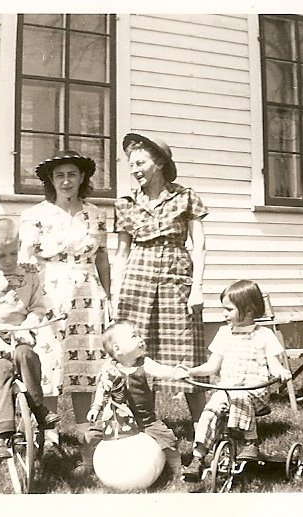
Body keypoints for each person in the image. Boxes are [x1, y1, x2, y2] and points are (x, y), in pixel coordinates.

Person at [113, 132, 209, 421]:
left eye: (140, 163)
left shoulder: (185, 197)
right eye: (131, 164)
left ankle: (203, 428)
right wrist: (116, 295)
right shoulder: (126, 203)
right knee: (136, 353)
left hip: (176, 280)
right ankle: (145, 424)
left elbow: (200, 245)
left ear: (160, 163)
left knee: (188, 352)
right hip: (136, 282)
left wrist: (197, 288)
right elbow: (121, 252)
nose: (135, 170)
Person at [19, 150, 111, 443]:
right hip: (49, 289)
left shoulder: (96, 214)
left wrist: (109, 295)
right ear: (51, 180)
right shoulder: (35, 215)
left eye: (72, 174)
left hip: (87, 291)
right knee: (49, 357)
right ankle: (49, 430)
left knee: (86, 357)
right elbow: (25, 256)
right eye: (60, 176)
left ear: (82, 177)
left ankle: (85, 427)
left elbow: (102, 258)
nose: (66, 181)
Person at [0, 217, 61, 466]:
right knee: (4, 371)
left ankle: (39, 408)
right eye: (1, 255)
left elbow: (37, 306)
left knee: (27, 356)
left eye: (13, 253)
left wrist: (25, 327)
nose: (8, 260)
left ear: (19, 247)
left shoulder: (29, 274)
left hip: (21, 333)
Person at [180, 280, 292, 482]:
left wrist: (281, 371)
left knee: (239, 395)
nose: (224, 314)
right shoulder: (224, 333)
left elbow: (274, 365)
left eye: (228, 309)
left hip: (255, 392)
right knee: (210, 409)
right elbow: (212, 366)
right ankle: (198, 457)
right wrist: (191, 371)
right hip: (227, 390)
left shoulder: (264, 335)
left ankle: (251, 443)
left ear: (248, 311)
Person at [79, 320, 188, 477]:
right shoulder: (109, 368)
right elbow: (102, 388)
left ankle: (177, 468)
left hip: (144, 419)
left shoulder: (144, 363)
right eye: (134, 336)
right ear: (117, 349)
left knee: (168, 438)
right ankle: (87, 465)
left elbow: (160, 369)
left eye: (139, 335)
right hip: (114, 419)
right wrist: (96, 407)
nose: (140, 339)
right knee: (90, 436)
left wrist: (174, 373)